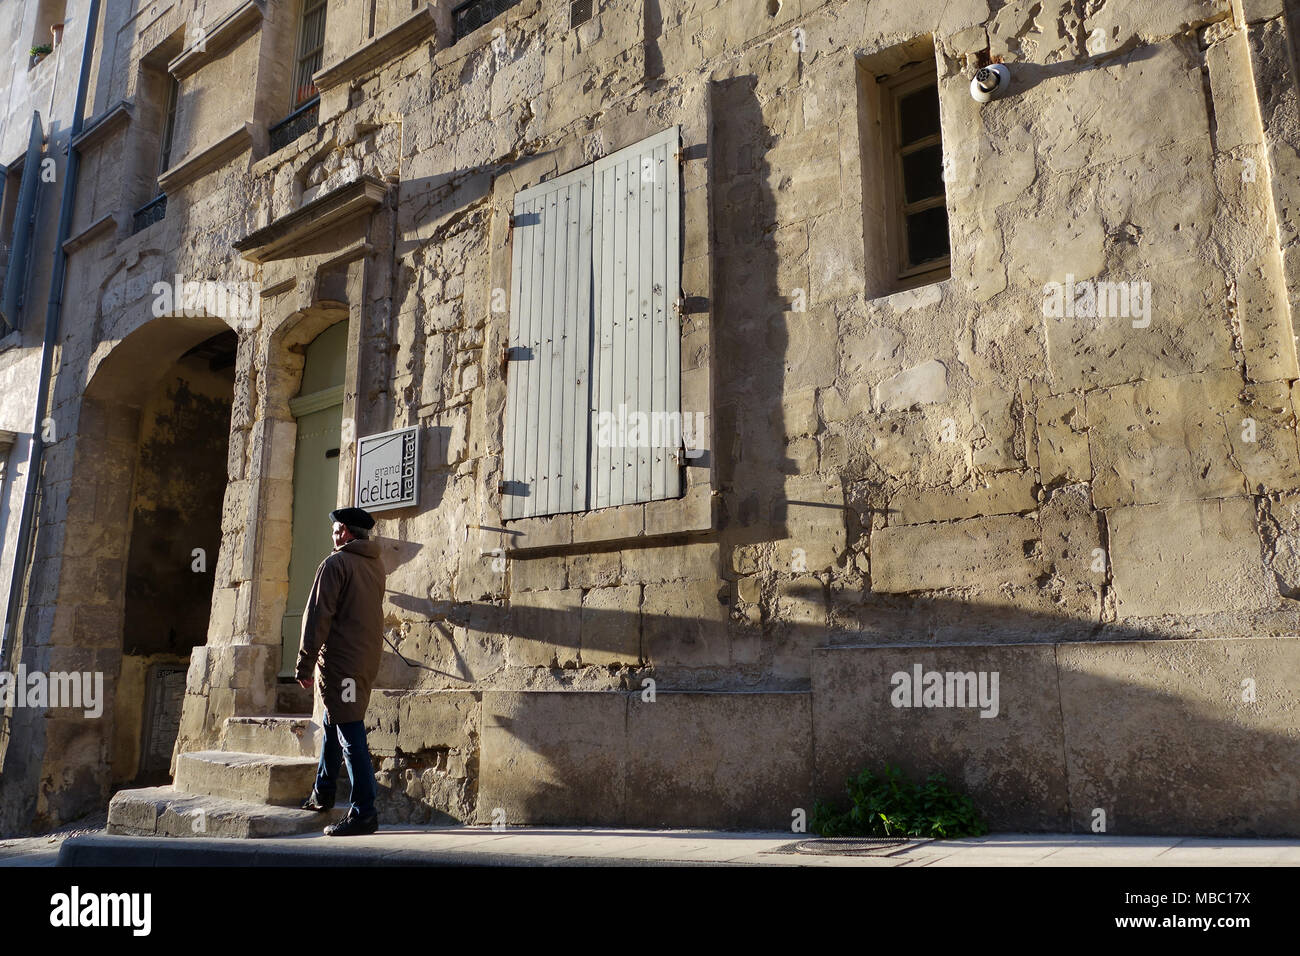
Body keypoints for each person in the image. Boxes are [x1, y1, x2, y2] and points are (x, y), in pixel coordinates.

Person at [296, 506, 386, 836]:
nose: (332, 534)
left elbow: (318, 616)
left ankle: (364, 812)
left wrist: (304, 663)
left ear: (344, 531)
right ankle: (323, 792)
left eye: (335, 528)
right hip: (363, 660)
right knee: (334, 722)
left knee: (349, 731)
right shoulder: (375, 564)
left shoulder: (335, 563)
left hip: (341, 664)